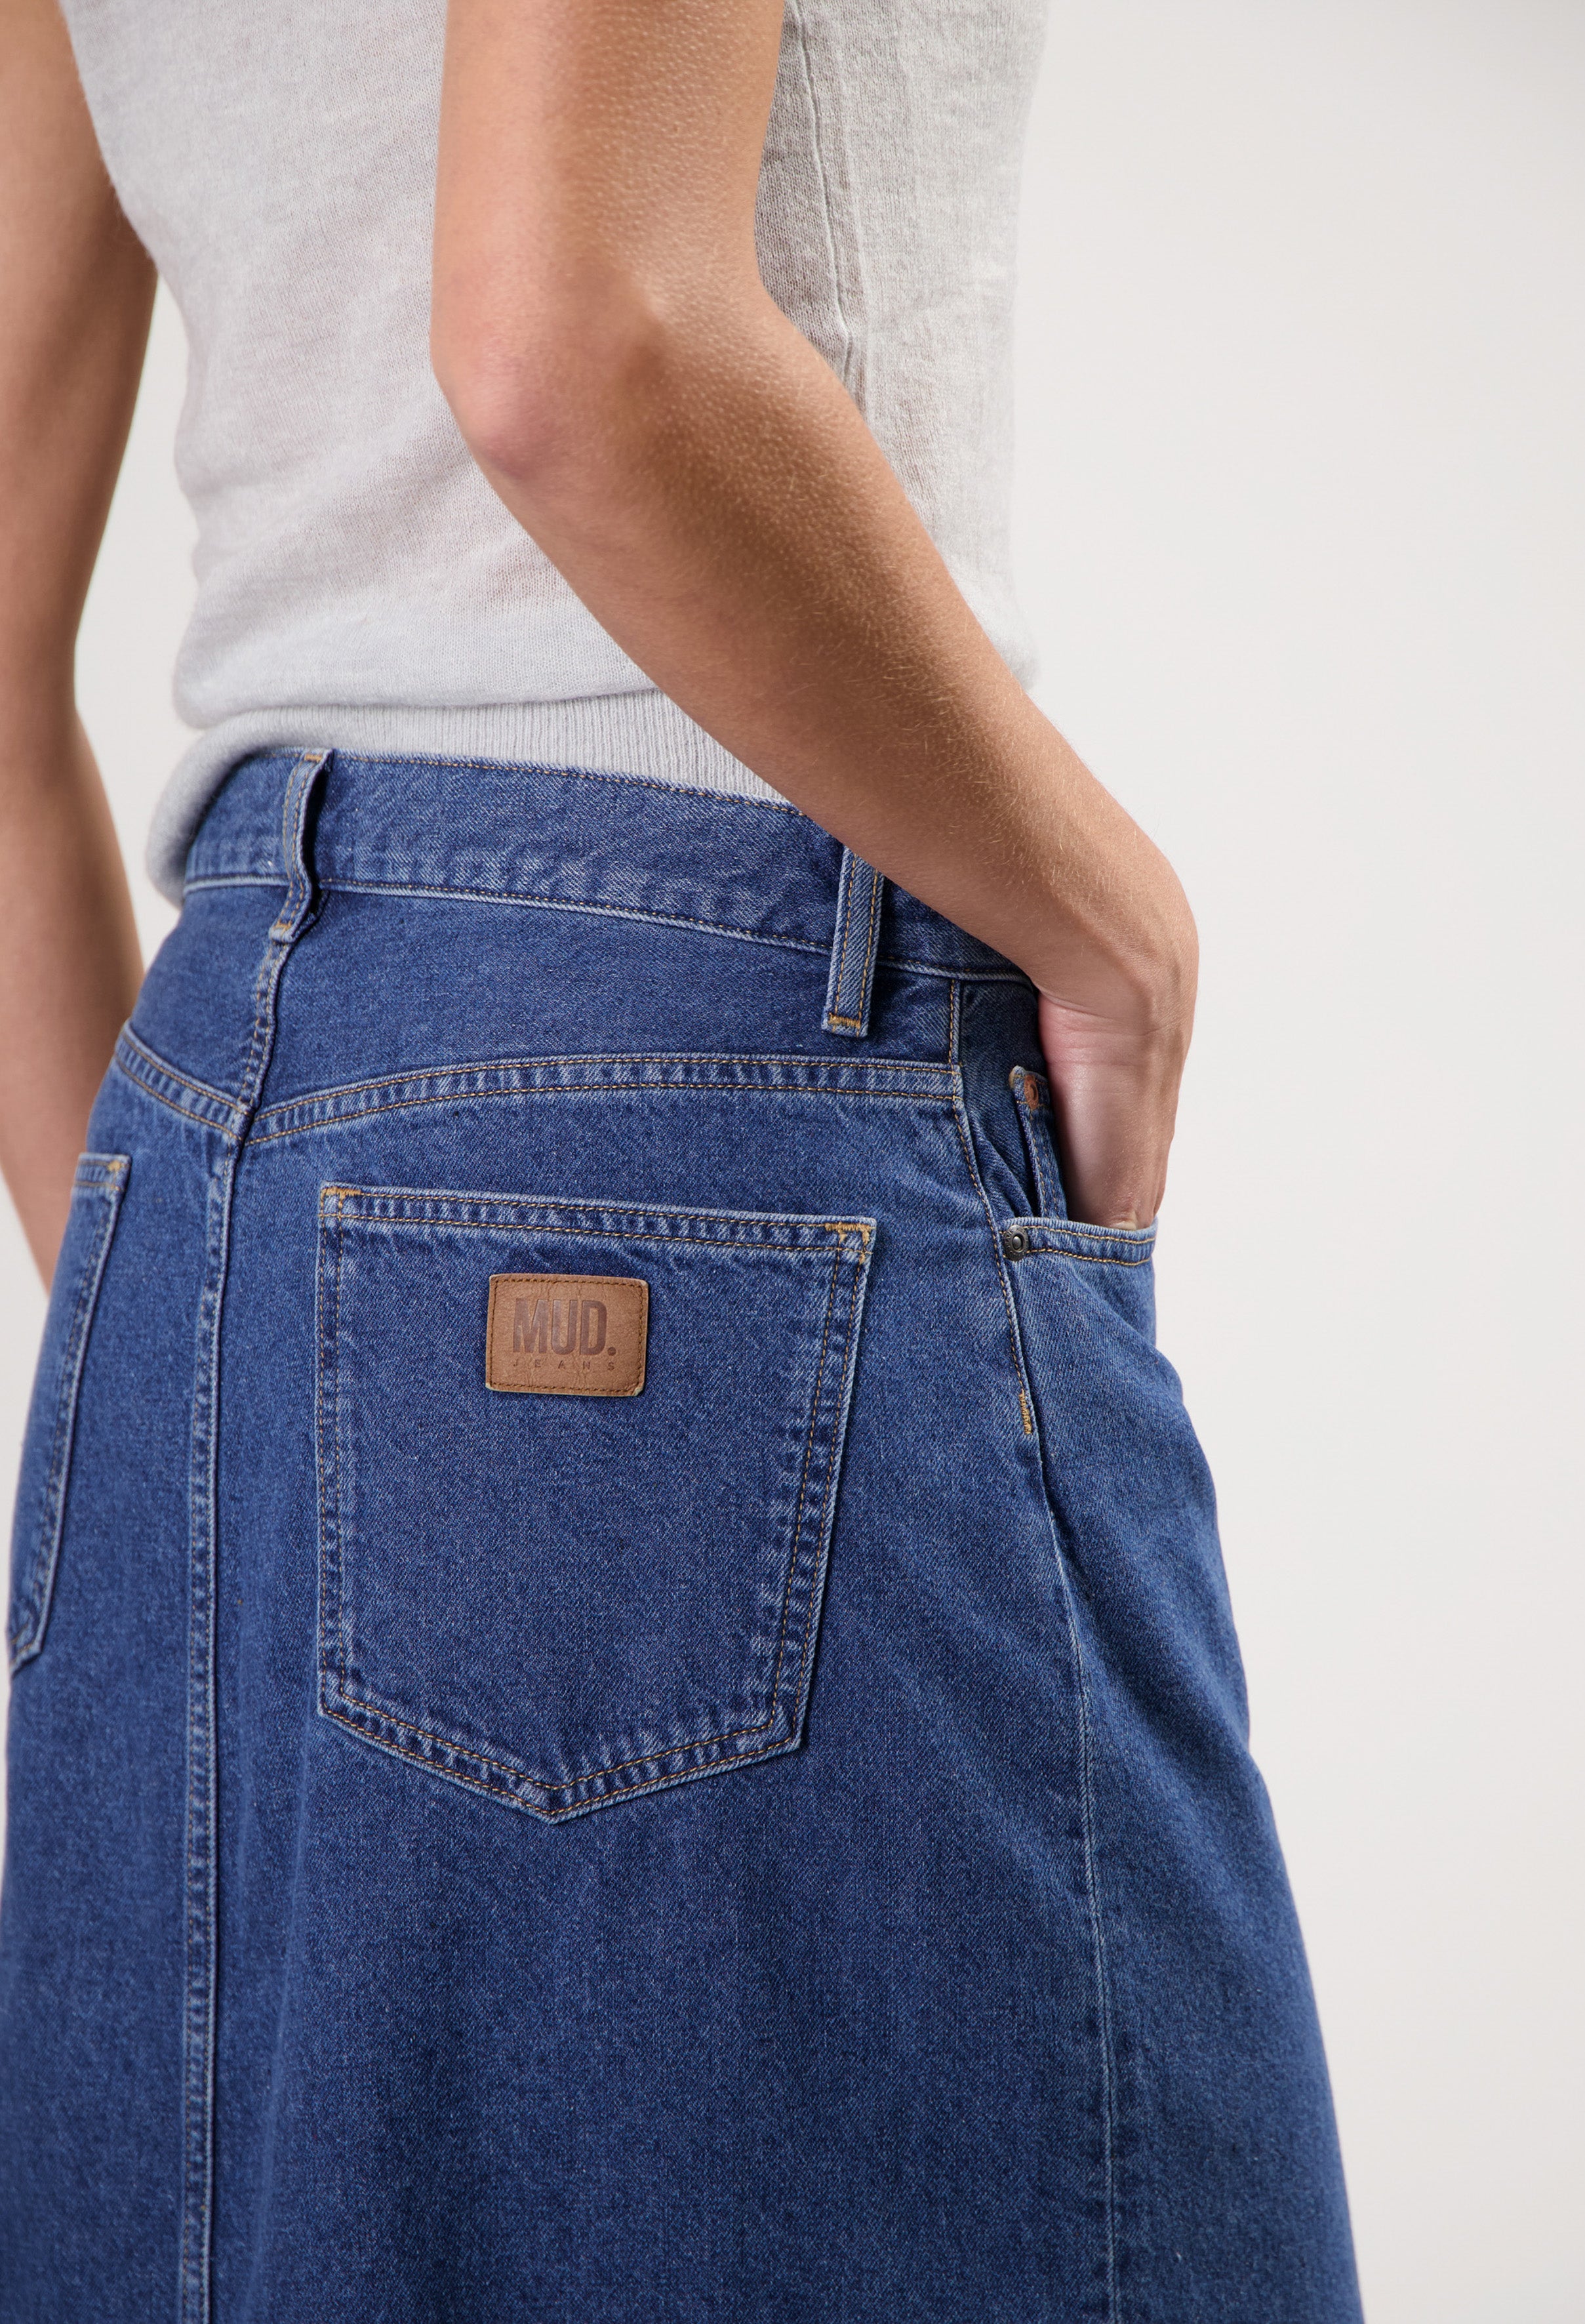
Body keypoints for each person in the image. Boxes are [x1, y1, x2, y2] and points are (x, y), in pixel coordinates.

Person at [0, 1, 1363, 2317]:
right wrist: (1108, 926)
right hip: (709, 1054)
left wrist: (203, 1293)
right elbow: (572, 334)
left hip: (207, 1131)